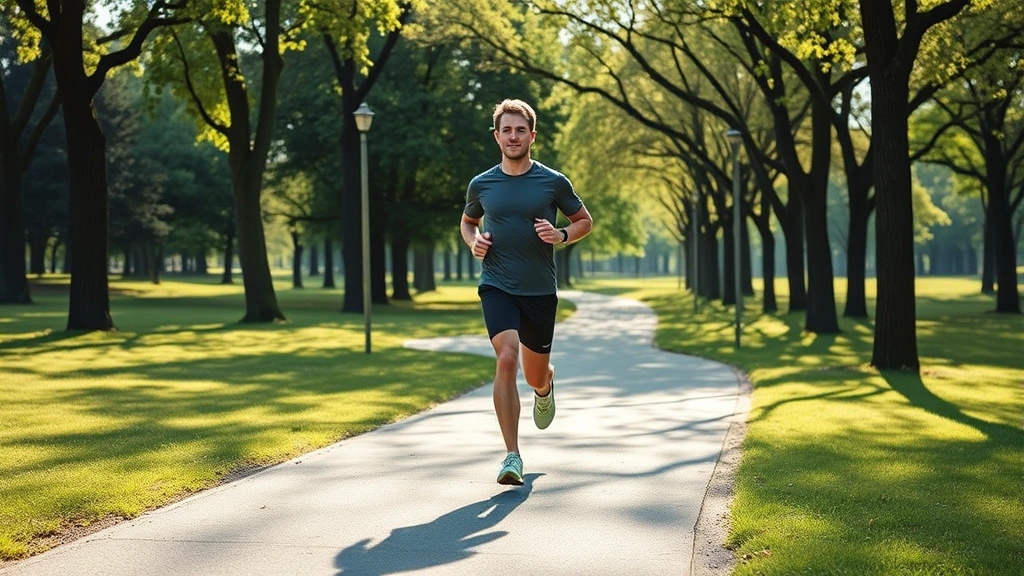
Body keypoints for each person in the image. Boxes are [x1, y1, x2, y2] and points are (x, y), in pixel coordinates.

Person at [460, 98, 594, 485]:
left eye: (521, 130)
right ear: (496, 136)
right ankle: (511, 456)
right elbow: (468, 222)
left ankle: (545, 383)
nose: (514, 136)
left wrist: (562, 234)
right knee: (506, 357)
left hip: (539, 291)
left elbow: (584, 220)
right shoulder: (481, 184)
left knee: (533, 374)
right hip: (497, 284)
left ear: (532, 135)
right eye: (507, 130)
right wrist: (474, 242)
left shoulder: (552, 181)